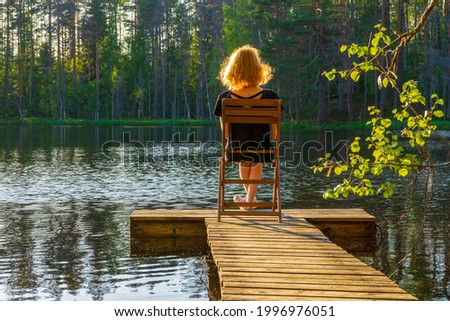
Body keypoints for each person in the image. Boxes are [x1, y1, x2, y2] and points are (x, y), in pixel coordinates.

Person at [213, 45, 281, 210]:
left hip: (237, 148)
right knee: (256, 157)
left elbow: (227, 134)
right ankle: (249, 199)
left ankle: (248, 200)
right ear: (258, 68)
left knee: (245, 157)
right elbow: (274, 134)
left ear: (233, 69)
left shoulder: (225, 98)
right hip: (263, 148)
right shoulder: (270, 97)